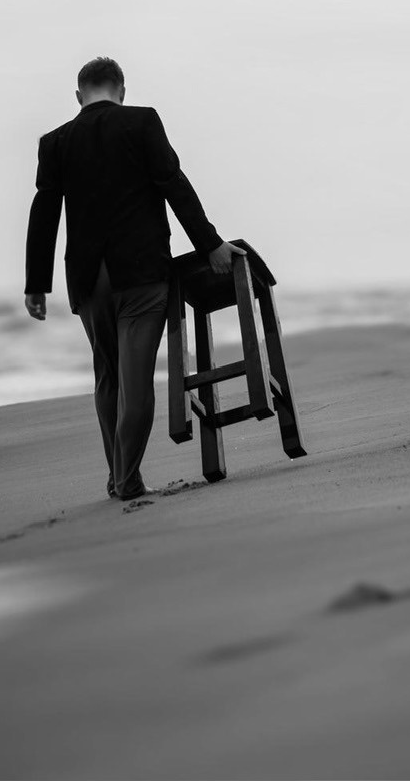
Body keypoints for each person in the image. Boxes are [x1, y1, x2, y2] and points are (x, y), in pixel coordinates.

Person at [24, 56, 245, 501]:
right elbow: (172, 182)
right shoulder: (142, 122)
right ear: (121, 91)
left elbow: (44, 212)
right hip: (141, 273)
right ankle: (127, 481)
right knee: (137, 380)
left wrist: (36, 283)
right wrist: (211, 245)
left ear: (78, 96)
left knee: (108, 378)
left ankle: (119, 476)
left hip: (88, 281)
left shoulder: (56, 141)